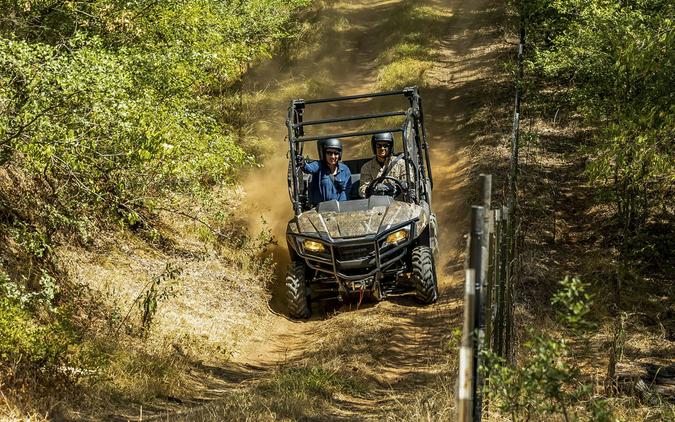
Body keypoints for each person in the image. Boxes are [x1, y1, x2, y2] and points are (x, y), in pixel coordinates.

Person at [296, 138, 352, 206]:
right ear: (324, 154)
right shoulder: (319, 165)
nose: (333, 156)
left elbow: (346, 191)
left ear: (339, 155)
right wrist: (303, 163)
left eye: (336, 153)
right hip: (320, 208)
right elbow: (308, 168)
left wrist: (340, 206)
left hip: (340, 207)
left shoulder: (345, 169)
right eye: (329, 153)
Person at [359, 132, 413, 198]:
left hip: (399, 202)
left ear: (390, 147)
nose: (382, 148)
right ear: (374, 147)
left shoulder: (401, 164)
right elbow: (363, 189)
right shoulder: (366, 167)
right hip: (376, 202)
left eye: (385, 146)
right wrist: (374, 189)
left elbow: (410, 184)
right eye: (379, 146)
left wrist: (397, 187)